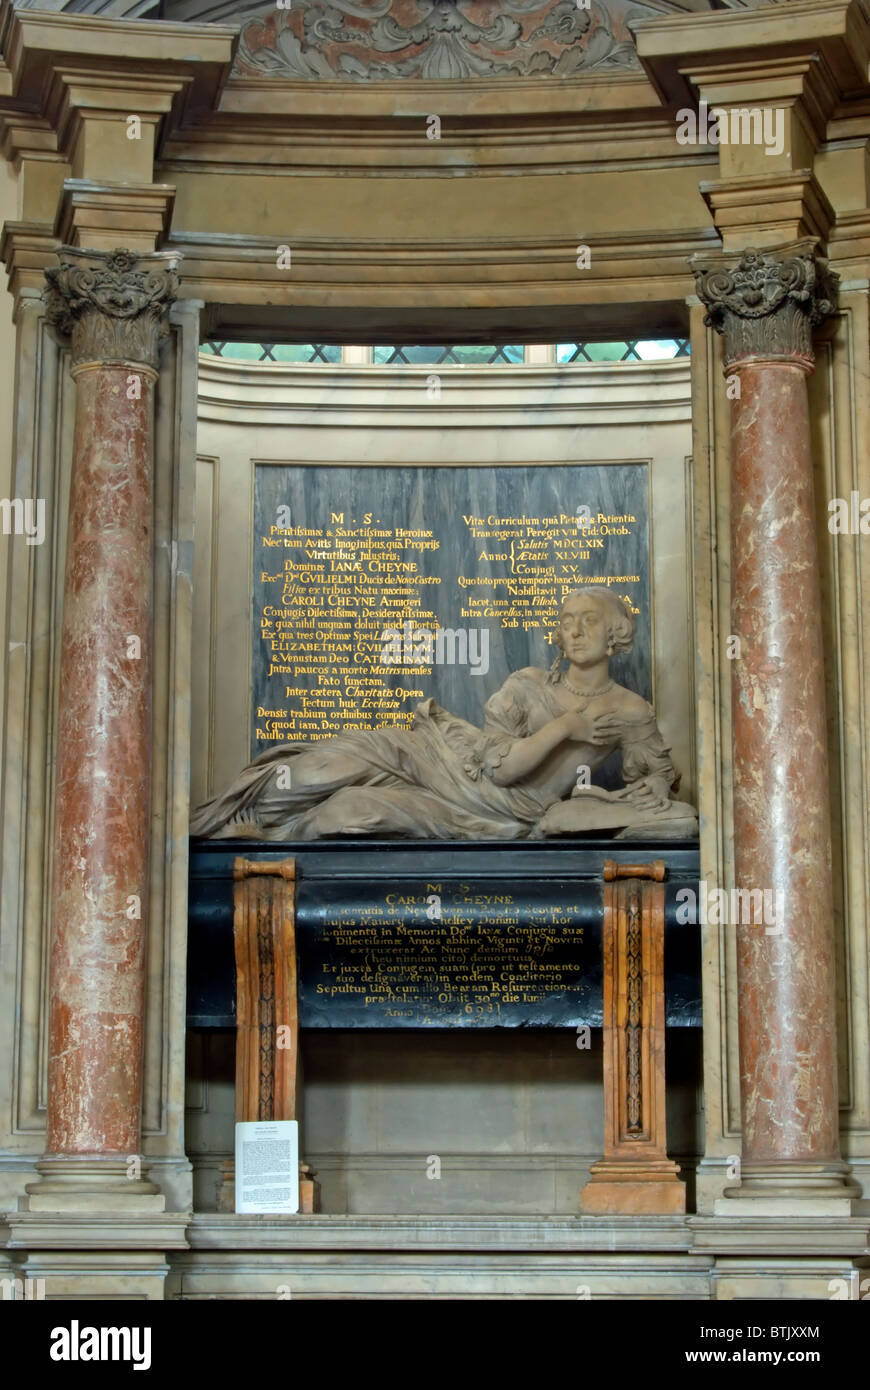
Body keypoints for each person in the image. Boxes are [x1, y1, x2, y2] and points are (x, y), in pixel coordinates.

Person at [190, 587, 696, 841]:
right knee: (327, 765)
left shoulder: (630, 711)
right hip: (456, 761)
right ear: (559, 636)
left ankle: (277, 835)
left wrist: (653, 786)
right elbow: (498, 766)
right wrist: (567, 727)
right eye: (568, 622)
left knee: (350, 812)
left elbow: (663, 786)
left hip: (498, 814)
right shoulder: (527, 684)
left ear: (616, 634)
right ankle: (244, 814)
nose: (578, 631)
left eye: (590, 621)